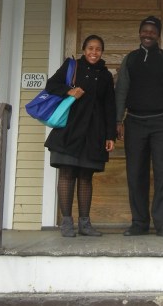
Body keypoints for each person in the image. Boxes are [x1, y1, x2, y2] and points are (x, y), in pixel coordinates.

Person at [115, 16, 163, 238]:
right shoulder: (130, 59)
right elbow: (121, 92)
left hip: (162, 124)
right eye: (144, 31)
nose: (148, 34)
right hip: (135, 122)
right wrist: (118, 120)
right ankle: (139, 223)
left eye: (152, 32)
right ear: (139, 33)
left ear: (158, 35)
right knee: (136, 173)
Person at [44, 34, 117, 237]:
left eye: (98, 49)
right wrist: (69, 90)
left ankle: (85, 224)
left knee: (86, 176)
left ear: (102, 52)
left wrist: (110, 135)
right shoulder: (72, 66)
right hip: (69, 129)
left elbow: (109, 106)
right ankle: (66, 222)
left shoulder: (105, 76)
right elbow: (51, 85)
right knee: (67, 174)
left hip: (94, 132)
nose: (94, 52)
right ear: (84, 50)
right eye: (90, 48)